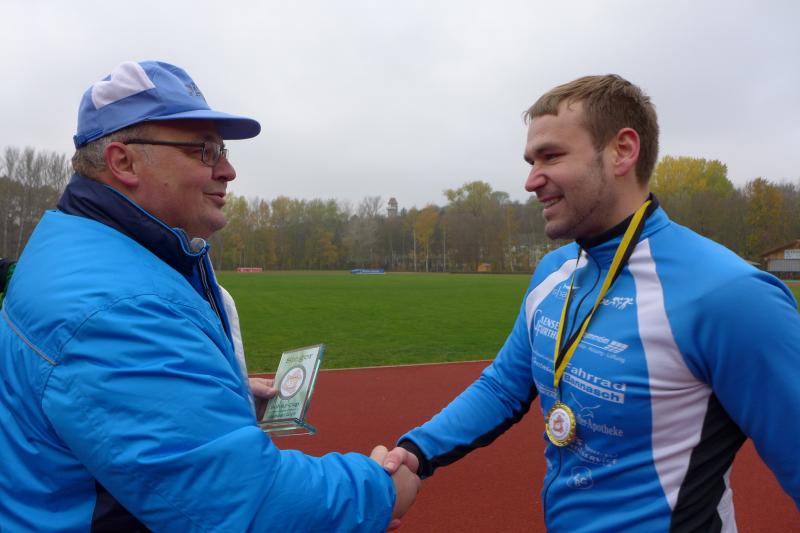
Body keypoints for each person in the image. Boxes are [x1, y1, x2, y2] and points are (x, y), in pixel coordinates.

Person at [0, 60, 419, 532]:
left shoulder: (74, 245)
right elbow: (248, 506)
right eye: (204, 150)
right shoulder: (118, 307)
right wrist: (380, 489)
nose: (228, 170)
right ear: (123, 162)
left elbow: (103, 408)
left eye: (222, 150)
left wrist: (218, 395)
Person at [383, 74, 800, 531]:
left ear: (623, 151)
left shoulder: (730, 296)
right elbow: (503, 387)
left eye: (551, 156)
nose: (531, 181)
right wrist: (415, 452)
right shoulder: (553, 272)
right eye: (530, 161)